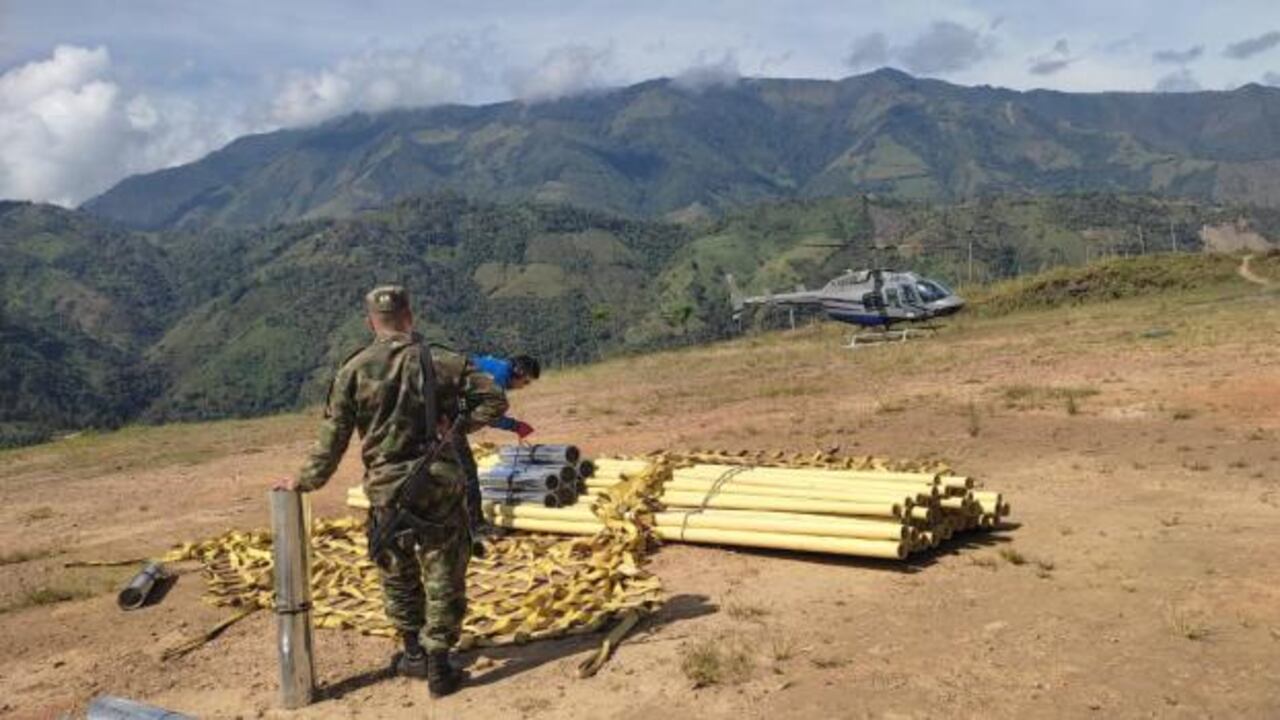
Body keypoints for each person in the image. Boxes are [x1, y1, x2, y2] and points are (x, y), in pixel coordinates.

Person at [274, 285, 507, 698]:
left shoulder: (353, 370)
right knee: (444, 568)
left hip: (387, 489)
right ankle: (440, 664)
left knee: (396, 570)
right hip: (438, 482)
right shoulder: (441, 360)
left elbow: (332, 438)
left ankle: (413, 652)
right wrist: (456, 427)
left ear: (371, 323)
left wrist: (304, 481)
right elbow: (494, 398)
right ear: (409, 316)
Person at [459, 353, 541, 532]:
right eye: (526, 382)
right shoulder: (498, 377)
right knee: (467, 473)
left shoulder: (496, 367)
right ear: (519, 372)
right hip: (443, 419)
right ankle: (476, 526)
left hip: (440, 413)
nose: (523, 387)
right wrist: (515, 426)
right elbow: (491, 416)